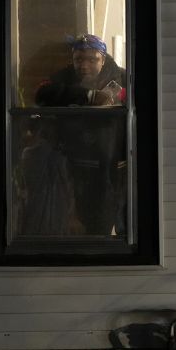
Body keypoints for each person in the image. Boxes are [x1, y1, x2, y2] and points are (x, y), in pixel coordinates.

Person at [26, 34, 128, 238]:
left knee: (110, 223)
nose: (84, 65)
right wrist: (87, 97)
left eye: (92, 59)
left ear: (103, 59)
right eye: (79, 59)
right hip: (74, 165)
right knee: (75, 224)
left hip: (113, 166)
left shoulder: (122, 77)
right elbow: (42, 93)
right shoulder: (63, 78)